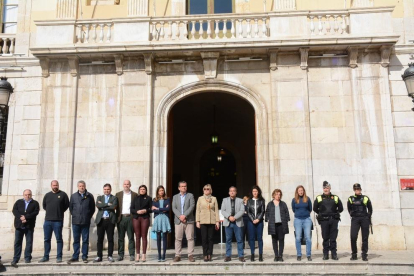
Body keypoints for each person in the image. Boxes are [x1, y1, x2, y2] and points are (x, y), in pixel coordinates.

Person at [39, 180, 70, 263]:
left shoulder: (63, 195)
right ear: (51, 186)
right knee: (47, 239)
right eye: (53, 185)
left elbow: (66, 205)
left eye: (56, 185)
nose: (55, 186)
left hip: (58, 221)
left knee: (59, 239)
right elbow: (44, 206)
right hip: (47, 220)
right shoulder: (47, 195)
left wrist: (59, 211)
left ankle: (59, 257)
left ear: (58, 185)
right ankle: (46, 256)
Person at [313, 181, 343, 260]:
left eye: (327, 188)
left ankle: (334, 254)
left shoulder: (335, 197)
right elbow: (315, 208)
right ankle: (325, 254)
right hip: (324, 220)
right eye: (324, 188)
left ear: (330, 188)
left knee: (333, 238)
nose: (326, 189)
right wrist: (321, 213)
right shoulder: (319, 198)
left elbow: (341, 208)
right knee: (325, 237)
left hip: (333, 220)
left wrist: (336, 213)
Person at [67, 181, 95, 264]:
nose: (81, 187)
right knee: (76, 240)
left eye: (83, 186)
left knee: (85, 240)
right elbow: (71, 208)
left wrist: (87, 216)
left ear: (85, 186)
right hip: (76, 221)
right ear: (77, 187)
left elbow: (92, 208)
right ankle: (75, 256)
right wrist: (75, 215)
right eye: (80, 186)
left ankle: (84, 256)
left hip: (85, 221)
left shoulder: (89, 196)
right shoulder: (73, 196)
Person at [11, 189, 40, 267]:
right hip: (19, 225)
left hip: (29, 225)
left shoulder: (35, 203)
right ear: (23, 195)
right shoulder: (18, 202)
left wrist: (26, 217)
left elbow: (35, 212)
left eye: (29, 194)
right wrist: (21, 217)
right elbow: (14, 210)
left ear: (31, 195)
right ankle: (16, 258)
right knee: (17, 242)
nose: (27, 196)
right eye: (26, 194)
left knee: (29, 242)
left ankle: (27, 257)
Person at [348, 183, 373, 261]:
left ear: (360, 189)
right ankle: (354, 254)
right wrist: (352, 214)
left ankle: (364, 254)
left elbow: (370, 209)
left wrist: (367, 217)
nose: (357, 190)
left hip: (364, 219)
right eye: (355, 189)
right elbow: (349, 208)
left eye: (358, 189)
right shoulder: (351, 198)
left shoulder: (365, 198)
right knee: (353, 236)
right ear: (354, 190)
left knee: (365, 237)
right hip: (355, 219)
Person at [172, 181, 195, 262]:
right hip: (178, 221)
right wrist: (180, 216)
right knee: (178, 238)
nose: (184, 187)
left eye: (185, 186)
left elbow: (192, 206)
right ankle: (177, 255)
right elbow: (174, 208)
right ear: (179, 188)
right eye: (182, 186)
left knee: (190, 238)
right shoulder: (175, 197)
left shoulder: (190, 195)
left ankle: (190, 255)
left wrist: (184, 215)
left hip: (189, 220)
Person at [94, 183, 118, 263]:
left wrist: (103, 205)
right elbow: (98, 205)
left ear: (110, 190)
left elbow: (114, 207)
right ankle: (99, 256)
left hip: (110, 220)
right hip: (101, 220)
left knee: (110, 239)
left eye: (108, 189)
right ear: (103, 190)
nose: (106, 191)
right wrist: (108, 204)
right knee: (100, 239)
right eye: (105, 189)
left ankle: (110, 256)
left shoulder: (114, 198)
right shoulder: (99, 197)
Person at [196, 184, 220, 262]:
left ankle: (210, 254)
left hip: (211, 220)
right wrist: (197, 221)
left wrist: (217, 221)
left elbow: (216, 210)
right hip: (203, 220)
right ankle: (205, 254)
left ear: (210, 190)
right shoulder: (200, 199)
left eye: (208, 189)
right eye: (205, 189)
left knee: (210, 238)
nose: (206, 190)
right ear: (203, 190)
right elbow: (197, 210)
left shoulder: (214, 198)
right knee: (204, 238)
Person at [221, 186, 245, 263]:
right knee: (228, 240)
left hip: (237, 222)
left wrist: (234, 217)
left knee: (239, 240)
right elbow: (223, 210)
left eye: (233, 191)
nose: (232, 192)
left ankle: (241, 256)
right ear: (229, 192)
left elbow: (242, 210)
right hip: (228, 222)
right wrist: (229, 217)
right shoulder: (224, 200)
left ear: (236, 192)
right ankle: (228, 256)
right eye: (231, 191)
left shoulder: (240, 200)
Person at [115, 180, 138, 262]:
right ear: (123, 185)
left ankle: (132, 254)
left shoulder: (135, 195)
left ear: (130, 185)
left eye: (128, 184)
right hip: (121, 218)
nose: (126, 185)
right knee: (121, 238)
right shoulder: (118, 195)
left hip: (130, 218)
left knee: (131, 237)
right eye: (125, 184)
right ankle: (120, 255)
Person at [265, 189, 290, 262]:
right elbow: (267, 213)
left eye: (279, 194)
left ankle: (280, 255)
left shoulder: (283, 204)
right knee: (274, 240)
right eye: (276, 194)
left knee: (281, 240)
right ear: (273, 195)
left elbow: (287, 213)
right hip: (273, 224)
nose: (278, 196)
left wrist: (286, 220)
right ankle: (276, 255)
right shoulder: (270, 204)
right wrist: (268, 219)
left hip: (281, 224)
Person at [131, 184, 152, 262]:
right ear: (139, 190)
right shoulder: (135, 198)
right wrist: (137, 211)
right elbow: (131, 209)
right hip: (136, 218)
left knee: (144, 236)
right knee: (137, 236)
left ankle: (144, 255)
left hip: (145, 218)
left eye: (144, 189)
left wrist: (145, 210)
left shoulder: (149, 198)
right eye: (141, 189)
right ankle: (137, 254)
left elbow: (151, 209)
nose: (142, 190)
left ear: (146, 190)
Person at [292, 185, 313, 261]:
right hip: (297, 220)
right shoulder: (294, 200)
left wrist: (305, 214)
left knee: (308, 238)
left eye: (302, 190)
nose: (301, 192)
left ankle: (308, 255)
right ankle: (299, 254)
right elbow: (294, 209)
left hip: (307, 219)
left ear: (304, 191)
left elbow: (310, 209)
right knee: (298, 238)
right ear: (297, 192)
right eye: (299, 190)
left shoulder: (307, 199)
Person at [151, 185, 171, 262]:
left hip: (165, 218)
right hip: (157, 219)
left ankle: (164, 255)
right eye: (160, 190)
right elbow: (153, 210)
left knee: (165, 237)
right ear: (157, 192)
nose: (161, 192)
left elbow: (168, 209)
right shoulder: (154, 200)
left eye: (162, 190)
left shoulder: (167, 199)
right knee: (158, 237)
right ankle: (159, 255)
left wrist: (158, 208)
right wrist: (162, 209)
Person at [246, 185, 265, 262]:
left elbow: (263, 211)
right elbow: (248, 212)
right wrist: (253, 219)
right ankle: (252, 254)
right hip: (251, 222)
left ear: (258, 192)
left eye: (256, 191)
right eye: (253, 191)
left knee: (260, 238)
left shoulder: (261, 201)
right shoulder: (249, 201)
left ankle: (260, 255)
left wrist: (258, 219)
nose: (255, 193)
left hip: (259, 222)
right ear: (252, 192)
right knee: (251, 238)